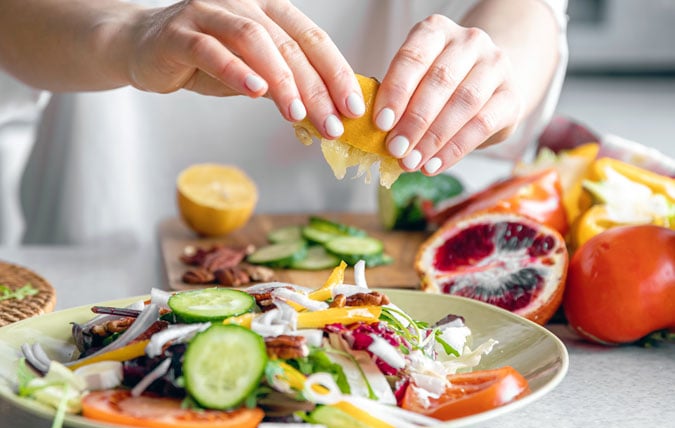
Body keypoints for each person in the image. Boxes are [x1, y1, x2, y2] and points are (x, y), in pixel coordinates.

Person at [0, 0, 568, 246]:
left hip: (369, 275)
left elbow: (525, 14)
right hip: (95, 246)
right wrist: (128, 35)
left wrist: (496, 66)